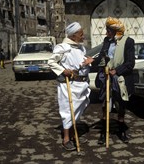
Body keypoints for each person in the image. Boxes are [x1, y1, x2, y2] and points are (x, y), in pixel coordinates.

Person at [48, 22, 92, 151]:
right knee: (68, 110)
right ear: (73, 35)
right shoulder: (62, 47)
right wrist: (62, 70)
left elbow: (81, 63)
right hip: (69, 84)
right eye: (81, 34)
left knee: (77, 110)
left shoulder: (82, 48)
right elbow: (51, 62)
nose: (83, 36)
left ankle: (74, 134)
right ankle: (66, 138)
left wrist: (88, 62)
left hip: (82, 84)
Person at [92, 16, 135, 144]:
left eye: (108, 31)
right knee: (105, 104)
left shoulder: (128, 41)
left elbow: (130, 63)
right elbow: (102, 57)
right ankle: (104, 133)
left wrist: (116, 71)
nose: (106, 33)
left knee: (120, 105)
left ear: (116, 31)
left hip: (120, 78)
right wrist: (93, 61)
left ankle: (121, 131)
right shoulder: (107, 41)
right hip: (106, 77)